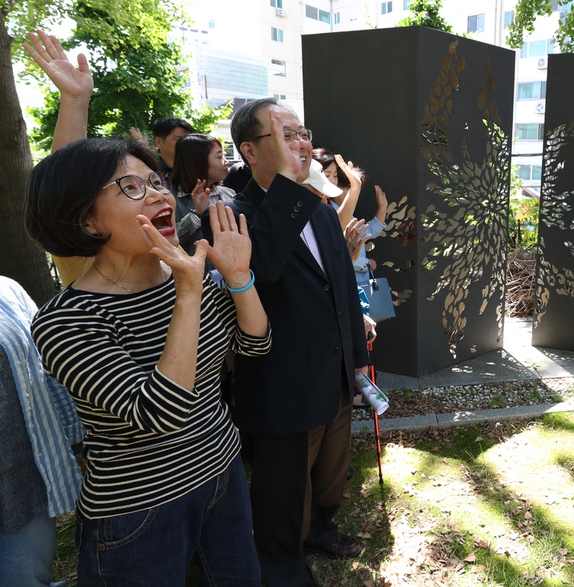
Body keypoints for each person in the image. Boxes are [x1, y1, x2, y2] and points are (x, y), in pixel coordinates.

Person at [24, 29, 271, 585]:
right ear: (87, 221)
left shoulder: (189, 274)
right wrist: (188, 292)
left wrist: (237, 278)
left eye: (155, 182)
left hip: (222, 474)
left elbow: (256, 343)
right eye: (129, 189)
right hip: (137, 513)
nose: (160, 194)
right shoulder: (66, 321)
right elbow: (161, 414)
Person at [220, 97, 370, 587]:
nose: (300, 142)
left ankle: (320, 528)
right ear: (250, 151)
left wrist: (359, 361)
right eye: (285, 134)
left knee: (331, 470)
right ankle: (281, 565)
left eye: (302, 132)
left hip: (336, 371)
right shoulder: (234, 216)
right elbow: (261, 267)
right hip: (282, 379)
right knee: (283, 485)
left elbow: (343, 288)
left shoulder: (321, 209)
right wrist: (288, 186)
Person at [0, 276, 84, 587]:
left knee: (25, 576)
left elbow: (43, 369)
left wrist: (77, 443)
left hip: (21, 484)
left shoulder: (6, 290)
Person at [313, 148, 389, 287]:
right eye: (350, 187)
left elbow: (366, 233)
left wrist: (382, 209)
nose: (331, 181)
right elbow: (334, 253)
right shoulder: (327, 212)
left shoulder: (342, 213)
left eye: (334, 176)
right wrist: (366, 264)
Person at [171, 133, 237, 255]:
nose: (226, 161)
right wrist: (196, 215)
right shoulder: (169, 199)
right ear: (198, 162)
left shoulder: (229, 194)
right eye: (219, 156)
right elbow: (167, 242)